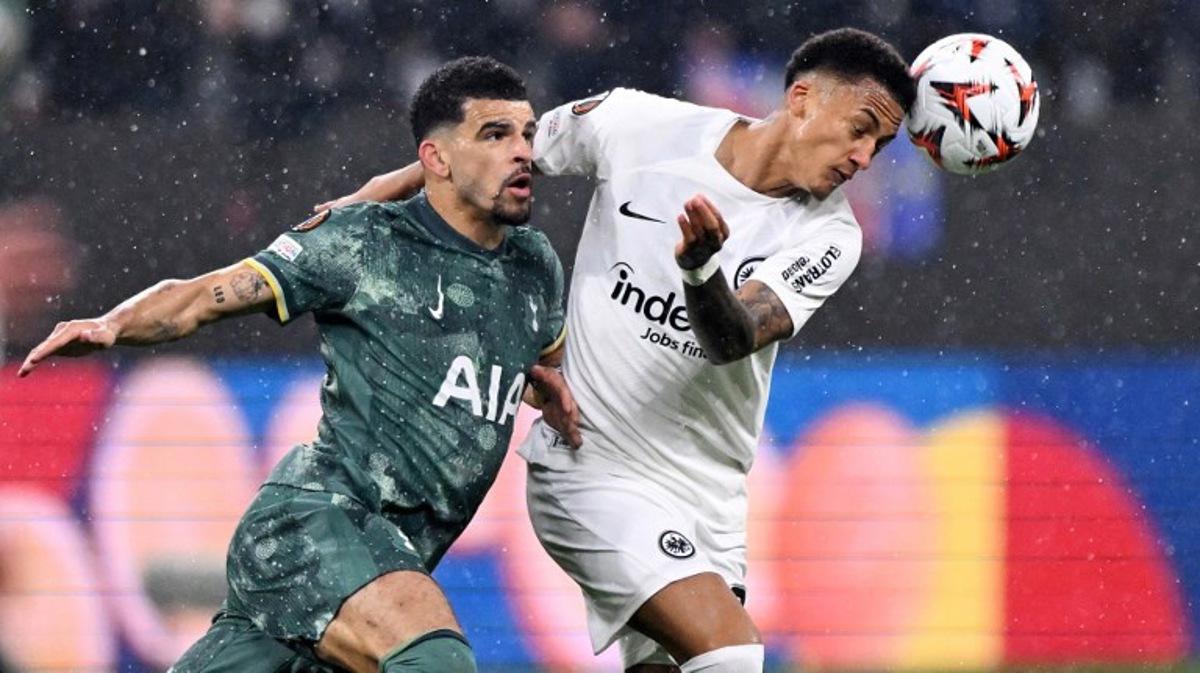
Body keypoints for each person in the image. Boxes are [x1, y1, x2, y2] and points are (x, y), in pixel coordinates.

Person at [319, 27, 915, 673]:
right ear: (801, 98)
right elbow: (490, 157)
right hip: (592, 466)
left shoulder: (831, 235)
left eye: (879, 146)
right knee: (731, 652)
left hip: (710, 496)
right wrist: (370, 198)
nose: (863, 158)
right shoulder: (637, 123)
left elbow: (734, 337)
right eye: (859, 129)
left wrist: (697, 274)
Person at [19, 56, 581, 673]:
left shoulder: (535, 267)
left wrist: (547, 388)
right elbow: (203, 296)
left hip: (377, 569)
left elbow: (540, 366)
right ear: (436, 158)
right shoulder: (364, 242)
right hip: (315, 527)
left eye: (528, 133)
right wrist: (113, 325)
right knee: (437, 661)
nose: (523, 151)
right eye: (495, 134)